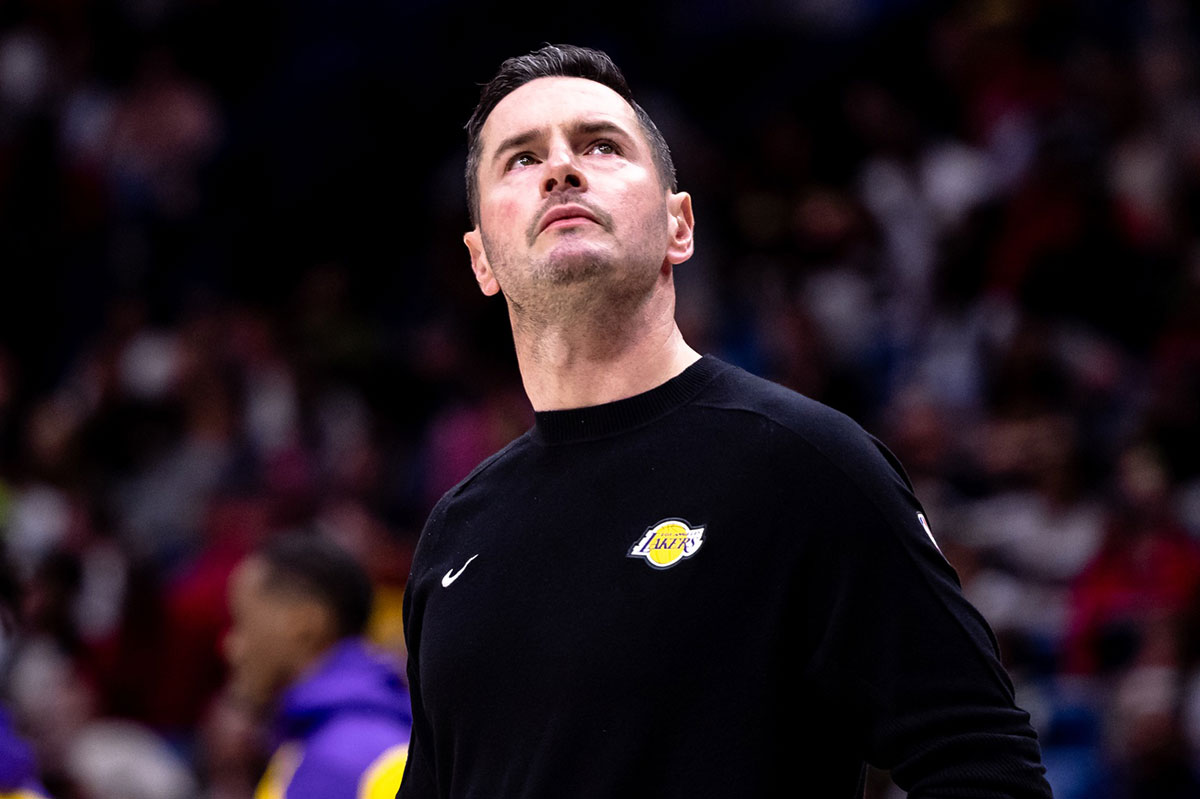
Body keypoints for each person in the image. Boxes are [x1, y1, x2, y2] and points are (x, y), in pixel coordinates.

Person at [398, 44, 1052, 798]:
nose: (561, 169)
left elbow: (983, 766)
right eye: (520, 159)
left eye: (601, 145)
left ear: (680, 225)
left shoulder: (804, 463)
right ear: (481, 260)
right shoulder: (454, 534)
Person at [224, 534, 411, 799]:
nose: (231, 647)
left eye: (242, 623)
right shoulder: (308, 744)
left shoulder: (340, 762)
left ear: (304, 623)